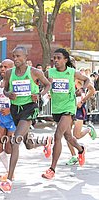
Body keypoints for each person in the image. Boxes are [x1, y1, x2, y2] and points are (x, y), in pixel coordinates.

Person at [0, 46, 51, 193]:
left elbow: (48, 85)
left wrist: (39, 94)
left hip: (29, 108)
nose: (16, 59)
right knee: (27, 144)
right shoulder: (9, 73)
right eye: (14, 56)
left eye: (19, 56)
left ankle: (9, 180)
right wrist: (9, 95)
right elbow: (5, 90)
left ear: (26, 57)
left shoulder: (34, 72)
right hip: (15, 110)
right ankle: (44, 143)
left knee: (15, 141)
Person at [42, 48, 89, 179]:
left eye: (58, 58)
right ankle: (81, 150)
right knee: (68, 137)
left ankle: (52, 169)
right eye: (54, 58)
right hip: (56, 108)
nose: (55, 61)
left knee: (58, 136)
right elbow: (40, 82)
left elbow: (87, 80)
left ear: (65, 60)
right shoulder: (49, 72)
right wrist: (45, 88)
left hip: (69, 107)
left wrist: (82, 90)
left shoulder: (72, 72)